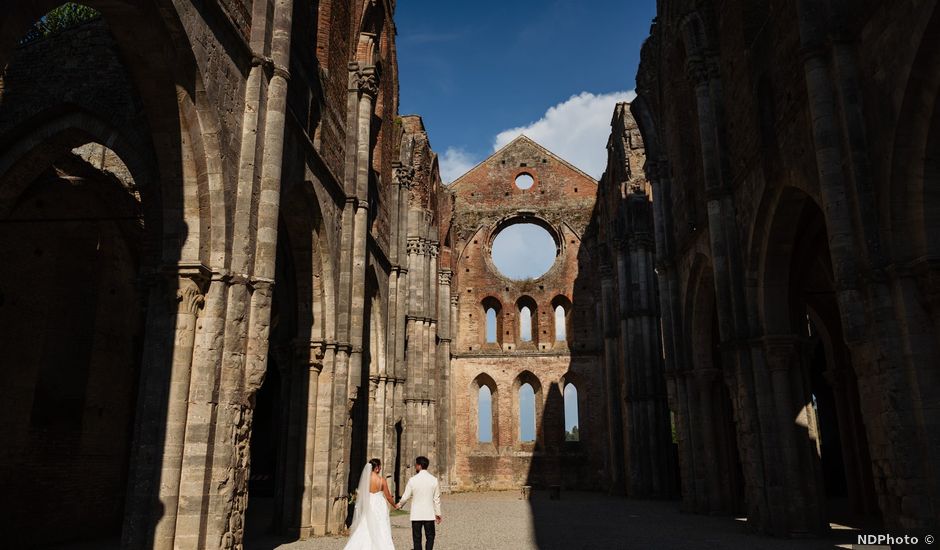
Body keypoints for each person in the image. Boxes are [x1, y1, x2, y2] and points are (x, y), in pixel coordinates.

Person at [343, 458, 397, 550]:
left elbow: (362, 493)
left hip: (369, 503)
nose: (380, 469)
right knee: (381, 524)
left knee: (365, 524)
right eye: (379, 467)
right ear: (376, 468)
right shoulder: (382, 480)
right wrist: (394, 505)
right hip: (379, 504)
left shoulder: (366, 480)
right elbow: (388, 496)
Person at [396, 456, 442, 550]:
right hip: (429, 514)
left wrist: (399, 504)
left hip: (416, 515)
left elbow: (406, 496)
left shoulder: (412, 480)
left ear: (419, 466)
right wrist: (438, 513)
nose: (415, 466)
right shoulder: (434, 480)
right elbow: (436, 499)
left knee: (417, 538)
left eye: (416, 465)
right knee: (430, 537)